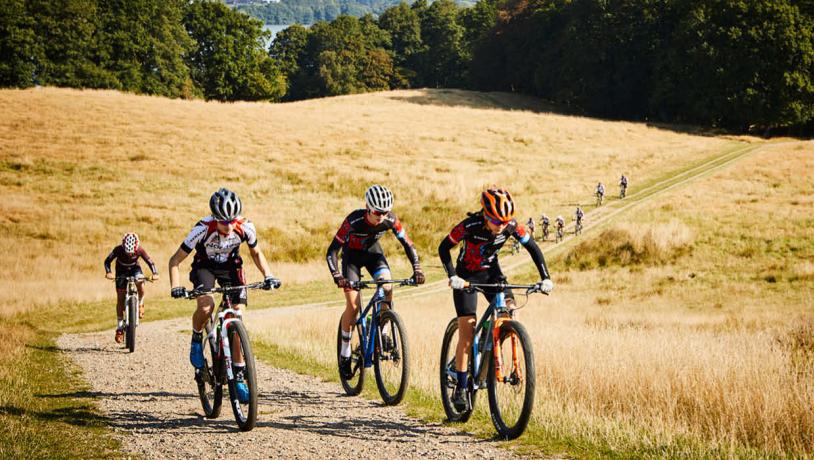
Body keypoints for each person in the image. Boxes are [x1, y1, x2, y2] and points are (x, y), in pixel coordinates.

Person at [438, 188, 553, 412]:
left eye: (504, 221)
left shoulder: (511, 226)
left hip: (492, 274)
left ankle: (496, 341)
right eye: (495, 220)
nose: (500, 225)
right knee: (467, 331)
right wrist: (452, 276)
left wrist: (545, 278)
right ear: (485, 214)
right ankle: (461, 386)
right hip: (466, 277)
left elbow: (533, 248)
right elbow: (444, 248)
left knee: (512, 311)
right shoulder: (469, 226)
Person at [168, 188, 279, 403]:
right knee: (206, 307)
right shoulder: (202, 228)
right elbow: (174, 261)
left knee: (237, 317)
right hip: (205, 267)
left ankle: (238, 377)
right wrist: (176, 286)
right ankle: (196, 338)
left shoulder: (245, 227)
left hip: (231, 268)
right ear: (214, 218)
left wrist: (269, 275)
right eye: (222, 222)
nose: (228, 226)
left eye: (231, 221)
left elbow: (256, 253)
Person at [327, 185, 425, 379]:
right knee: (353, 307)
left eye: (385, 212)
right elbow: (332, 251)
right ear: (367, 207)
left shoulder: (390, 220)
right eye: (377, 212)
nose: (381, 216)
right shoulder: (353, 220)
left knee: (387, 287)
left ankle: (385, 329)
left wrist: (417, 268)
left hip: (373, 255)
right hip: (351, 260)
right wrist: (337, 275)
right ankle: (345, 353)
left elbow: (408, 244)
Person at [104, 233, 158, 343]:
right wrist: (108, 272)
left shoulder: (140, 250)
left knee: (140, 282)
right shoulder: (118, 250)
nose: (129, 254)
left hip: (135, 269)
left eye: (131, 253)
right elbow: (107, 261)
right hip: (121, 271)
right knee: (120, 298)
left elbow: (150, 262)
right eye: (127, 252)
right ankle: (119, 328)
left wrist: (155, 273)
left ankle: (141, 303)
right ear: (123, 247)